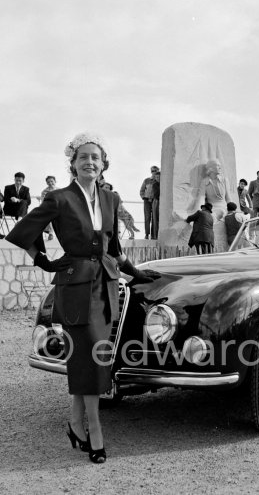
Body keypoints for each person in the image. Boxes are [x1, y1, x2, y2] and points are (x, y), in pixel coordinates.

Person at [5, 133, 159, 464]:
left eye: (96, 157)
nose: (90, 162)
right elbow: (22, 232)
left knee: (95, 356)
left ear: (104, 164)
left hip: (106, 285)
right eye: (83, 157)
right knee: (89, 354)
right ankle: (94, 429)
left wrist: (135, 272)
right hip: (75, 287)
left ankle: (75, 422)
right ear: (73, 164)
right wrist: (44, 261)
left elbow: (113, 248)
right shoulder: (58, 198)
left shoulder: (111, 198)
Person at [140, 166, 159, 239]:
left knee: (154, 217)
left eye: (155, 171)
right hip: (147, 201)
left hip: (155, 201)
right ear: (151, 172)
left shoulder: (159, 181)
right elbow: (141, 190)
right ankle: (147, 234)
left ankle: (154, 234)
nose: (154, 172)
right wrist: (143, 197)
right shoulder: (146, 180)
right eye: (153, 171)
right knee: (147, 217)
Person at [41, 176, 58, 240]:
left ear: (55, 181)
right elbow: (43, 202)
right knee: (50, 214)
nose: (50, 183)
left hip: (60, 207)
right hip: (50, 207)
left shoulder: (60, 190)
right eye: (48, 182)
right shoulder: (44, 192)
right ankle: (51, 233)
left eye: (52, 181)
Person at [151, 171, 160, 239]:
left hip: (160, 201)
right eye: (157, 177)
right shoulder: (155, 184)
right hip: (156, 201)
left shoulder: (163, 184)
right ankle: (155, 235)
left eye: (159, 177)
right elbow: (156, 194)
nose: (158, 178)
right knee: (155, 219)